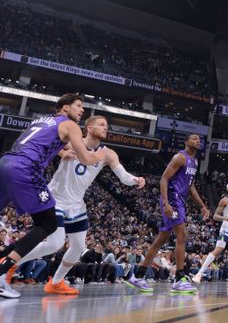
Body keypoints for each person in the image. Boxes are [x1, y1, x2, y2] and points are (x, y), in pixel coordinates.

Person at [3, 115, 145, 294]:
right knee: (55, 243)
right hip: (55, 199)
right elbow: (46, 149)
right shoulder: (70, 141)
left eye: (107, 126)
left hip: (76, 204)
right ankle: (10, 264)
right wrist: (61, 152)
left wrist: (136, 179)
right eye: (101, 125)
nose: (106, 128)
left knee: (78, 247)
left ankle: (56, 282)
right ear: (89, 127)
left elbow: (124, 177)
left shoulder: (108, 154)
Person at [0, 93, 104, 299]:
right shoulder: (70, 125)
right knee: (48, 224)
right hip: (26, 169)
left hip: (6, 163)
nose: (82, 110)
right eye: (79, 106)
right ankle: (2, 272)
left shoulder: (41, 120)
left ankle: (4, 260)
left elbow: (41, 142)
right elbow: (84, 157)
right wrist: (98, 157)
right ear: (65, 108)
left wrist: (61, 152)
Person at [125, 134, 209, 294]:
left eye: (199, 140)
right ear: (186, 142)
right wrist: (166, 203)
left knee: (160, 239)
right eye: (194, 138)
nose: (197, 141)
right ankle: (179, 279)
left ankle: (137, 276)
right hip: (172, 198)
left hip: (180, 199)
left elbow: (191, 187)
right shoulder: (180, 157)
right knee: (182, 236)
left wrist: (202, 206)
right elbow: (164, 179)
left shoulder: (195, 162)